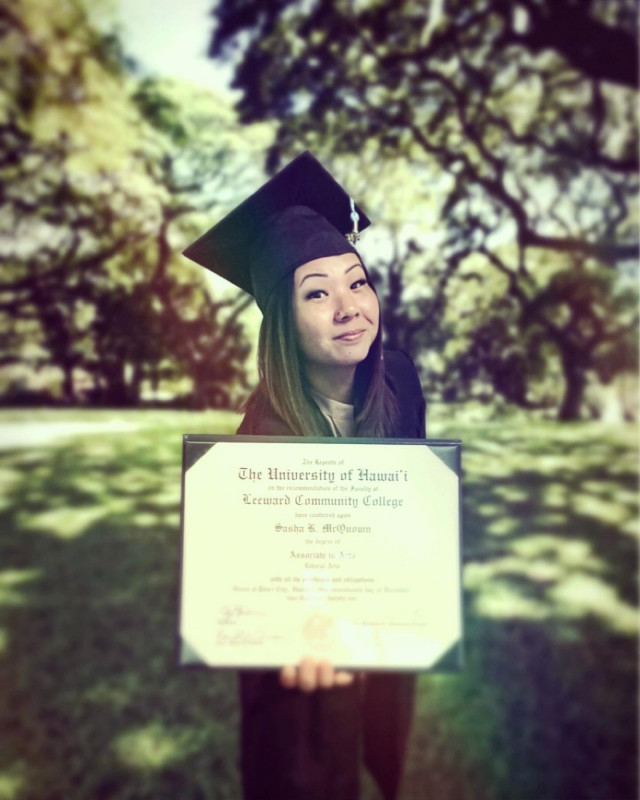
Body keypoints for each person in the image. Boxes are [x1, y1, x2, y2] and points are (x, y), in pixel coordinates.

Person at [183, 152, 426, 800]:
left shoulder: (398, 379)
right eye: (316, 292)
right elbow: (241, 589)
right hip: (302, 667)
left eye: (357, 282)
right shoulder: (256, 450)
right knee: (308, 766)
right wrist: (278, 635)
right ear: (282, 319)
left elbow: (411, 495)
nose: (350, 308)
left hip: (379, 619)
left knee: (381, 723)